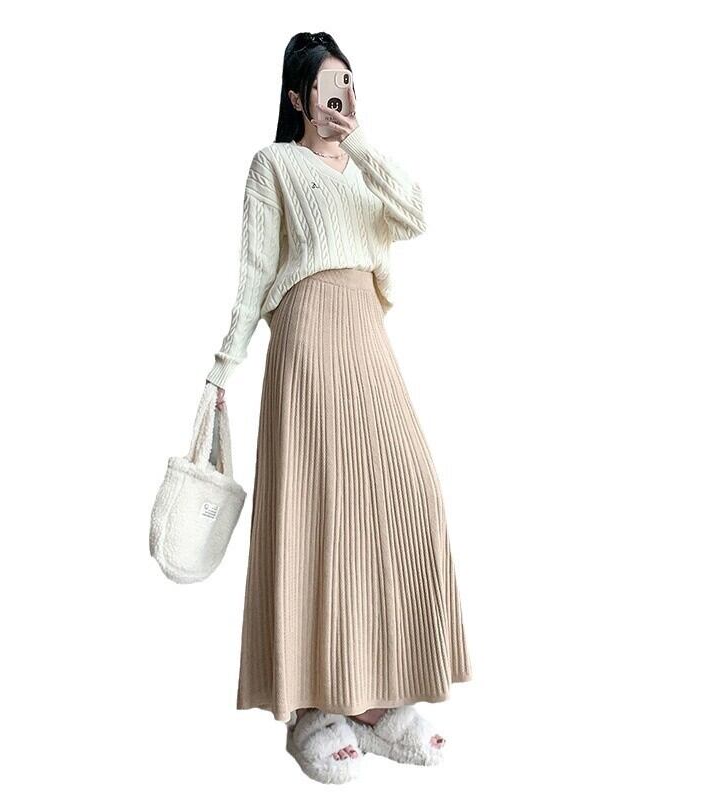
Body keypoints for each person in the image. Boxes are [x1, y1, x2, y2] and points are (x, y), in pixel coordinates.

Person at [204, 31, 471, 784]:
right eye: (328, 84)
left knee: (407, 496)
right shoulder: (275, 165)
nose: (342, 94)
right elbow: (255, 269)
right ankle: (314, 708)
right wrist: (224, 365)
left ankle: (378, 702)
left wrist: (358, 143)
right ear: (297, 97)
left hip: (366, 337)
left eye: (349, 81)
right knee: (319, 511)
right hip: (307, 335)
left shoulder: (362, 169)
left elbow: (416, 215)